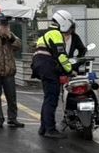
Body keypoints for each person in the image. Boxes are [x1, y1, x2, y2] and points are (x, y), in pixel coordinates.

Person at [31, 10, 74, 139]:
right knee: (52, 99)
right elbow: (61, 56)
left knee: (47, 98)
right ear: (64, 22)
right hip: (47, 67)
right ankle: (50, 129)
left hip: (40, 66)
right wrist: (70, 70)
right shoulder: (55, 34)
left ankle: (43, 127)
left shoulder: (46, 33)